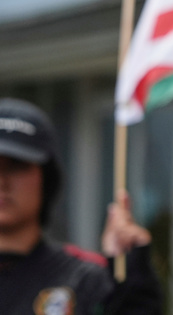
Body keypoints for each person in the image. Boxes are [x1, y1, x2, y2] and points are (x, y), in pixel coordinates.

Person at [0, 97, 162, 314]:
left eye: (16, 166)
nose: (2, 182)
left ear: (47, 179)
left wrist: (134, 287)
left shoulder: (87, 281)